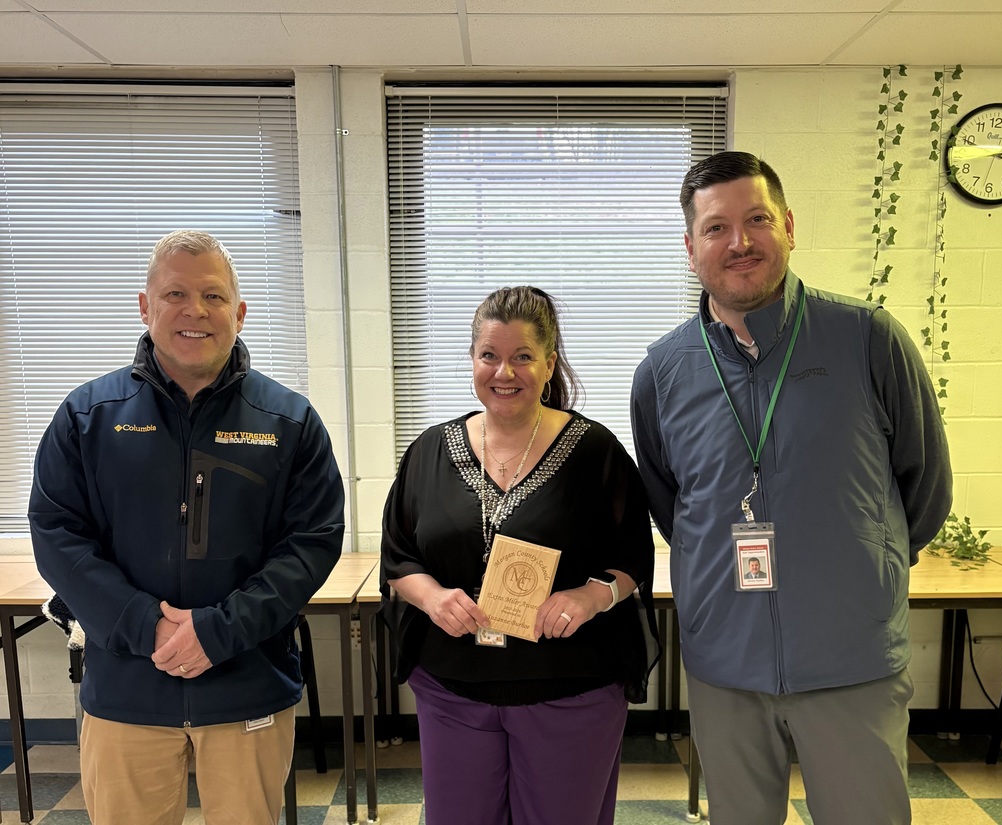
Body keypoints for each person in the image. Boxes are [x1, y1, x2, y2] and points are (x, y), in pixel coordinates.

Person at [630, 152, 952, 825]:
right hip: (725, 665)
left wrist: (867, 568)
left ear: (790, 226)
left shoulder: (866, 338)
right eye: (716, 229)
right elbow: (672, 506)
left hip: (851, 658)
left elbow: (924, 491)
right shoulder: (663, 370)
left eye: (757, 220)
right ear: (691, 249)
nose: (740, 242)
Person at [28, 230, 346, 825]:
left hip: (246, 684)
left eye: (213, 296)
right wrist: (145, 626)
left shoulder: (289, 422)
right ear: (145, 306)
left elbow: (311, 544)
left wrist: (218, 632)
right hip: (127, 689)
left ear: (240, 312)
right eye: (175, 293)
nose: (195, 311)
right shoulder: (87, 418)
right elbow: (56, 534)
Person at [380, 286, 659, 825]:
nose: (503, 372)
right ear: (472, 360)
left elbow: (632, 557)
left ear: (549, 363)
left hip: (569, 691)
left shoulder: (595, 452)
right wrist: (434, 598)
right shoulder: (430, 451)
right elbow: (399, 558)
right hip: (454, 691)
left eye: (522, 357)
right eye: (489, 355)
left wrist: (588, 597)